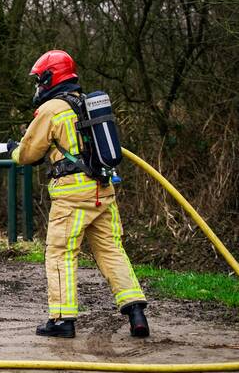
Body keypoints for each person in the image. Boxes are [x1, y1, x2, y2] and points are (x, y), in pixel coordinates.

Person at [9, 50, 149, 339]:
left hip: (73, 196)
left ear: (51, 77)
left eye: (40, 80)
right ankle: (136, 312)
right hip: (102, 190)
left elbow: (28, 152)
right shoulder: (86, 104)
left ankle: (62, 320)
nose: (38, 86)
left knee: (61, 254)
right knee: (112, 252)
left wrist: (12, 150)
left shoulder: (52, 109)